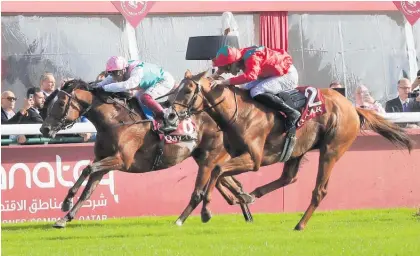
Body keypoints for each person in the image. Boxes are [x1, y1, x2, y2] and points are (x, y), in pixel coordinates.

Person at [211, 45, 301, 131]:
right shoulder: (238, 56)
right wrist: (213, 76)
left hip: (287, 75)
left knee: (256, 91)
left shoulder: (252, 58)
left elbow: (251, 76)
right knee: (243, 88)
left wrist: (224, 82)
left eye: (227, 69)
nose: (226, 72)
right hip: (270, 74)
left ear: (232, 63)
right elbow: (223, 67)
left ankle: (291, 113)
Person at [95, 56, 176, 132]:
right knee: (137, 100)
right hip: (148, 84)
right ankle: (152, 122)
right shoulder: (121, 69)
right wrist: (96, 86)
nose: (115, 76)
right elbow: (109, 80)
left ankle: (168, 119)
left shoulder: (137, 70)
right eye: (112, 73)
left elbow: (128, 85)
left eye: (117, 73)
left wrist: (104, 88)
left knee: (145, 97)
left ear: (123, 69)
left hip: (164, 80)